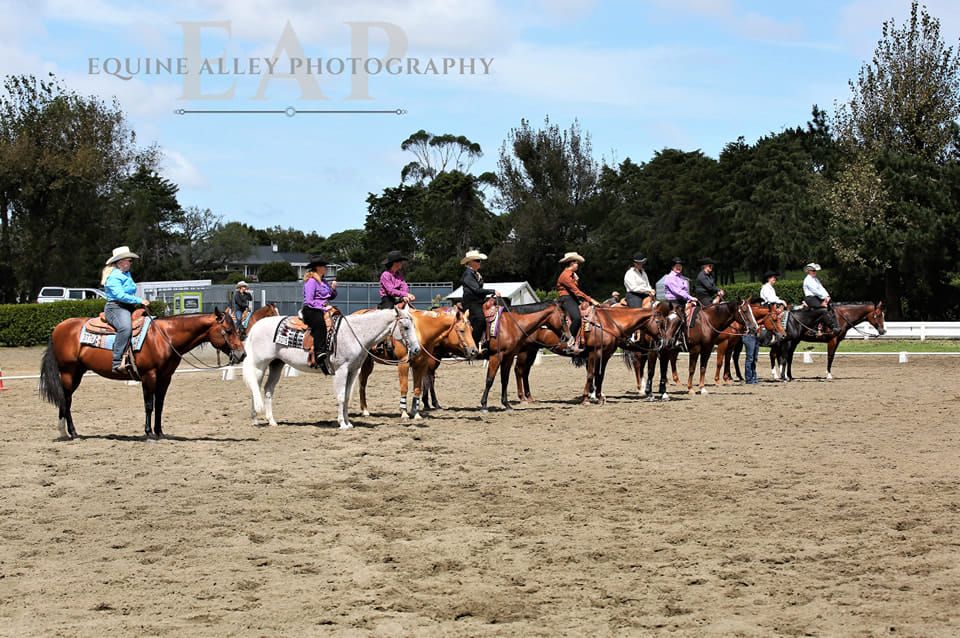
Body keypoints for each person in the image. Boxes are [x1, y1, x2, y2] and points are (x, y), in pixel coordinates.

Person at [101, 246, 148, 374]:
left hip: (127, 306)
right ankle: (116, 361)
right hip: (116, 308)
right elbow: (119, 295)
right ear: (121, 262)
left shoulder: (126, 274)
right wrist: (139, 300)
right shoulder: (114, 277)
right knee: (125, 328)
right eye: (130, 260)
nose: (131, 263)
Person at [557, 252, 600, 353]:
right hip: (566, 298)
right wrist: (591, 300)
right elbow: (576, 291)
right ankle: (568, 342)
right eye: (577, 263)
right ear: (572, 263)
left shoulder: (572, 275)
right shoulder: (565, 276)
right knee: (576, 318)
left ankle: (581, 341)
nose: (578, 265)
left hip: (572, 298)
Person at [302, 256, 337, 369]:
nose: (325, 268)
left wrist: (333, 289)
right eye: (323, 266)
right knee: (320, 324)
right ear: (317, 268)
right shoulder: (311, 281)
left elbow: (330, 296)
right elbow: (309, 301)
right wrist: (323, 308)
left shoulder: (323, 282)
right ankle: (319, 352)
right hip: (311, 309)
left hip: (323, 308)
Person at [460, 249, 498, 350]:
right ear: (471, 262)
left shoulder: (475, 273)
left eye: (479, 260)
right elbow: (476, 290)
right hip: (471, 303)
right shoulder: (468, 274)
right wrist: (492, 291)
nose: (479, 262)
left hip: (478, 301)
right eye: (477, 260)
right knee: (480, 319)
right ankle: (473, 345)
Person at [802, 262, 837, 332]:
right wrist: (824, 297)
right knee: (822, 310)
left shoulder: (815, 279)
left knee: (831, 307)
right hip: (811, 299)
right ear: (809, 271)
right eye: (813, 270)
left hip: (817, 297)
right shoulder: (808, 280)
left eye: (815, 271)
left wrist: (827, 296)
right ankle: (816, 328)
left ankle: (829, 325)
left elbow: (821, 288)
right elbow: (815, 291)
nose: (815, 272)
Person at [663, 257, 697, 325]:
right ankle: (670, 335)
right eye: (677, 266)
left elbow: (685, 290)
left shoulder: (682, 277)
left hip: (682, 301)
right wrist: (690, 297)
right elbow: (678, 291)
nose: (679, 267)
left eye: (680, 266)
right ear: (673, 267)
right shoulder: (670, 277)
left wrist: (688, 299)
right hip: (673, 303)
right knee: (678, 320)